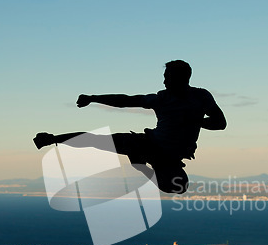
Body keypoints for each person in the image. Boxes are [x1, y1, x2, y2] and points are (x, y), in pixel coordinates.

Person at [33, 60, 226, 194]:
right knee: (97, 140)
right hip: (147, 144)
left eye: (167, 77)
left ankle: (140, 165)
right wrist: (93, 98)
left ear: (181, 78)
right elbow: (125, 101)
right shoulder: (161, 98)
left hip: (168, 156)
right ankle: (51, 138)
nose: (164, 81)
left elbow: (220, 123)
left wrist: (193, 121)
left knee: (179, 188)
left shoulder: (201, 96)